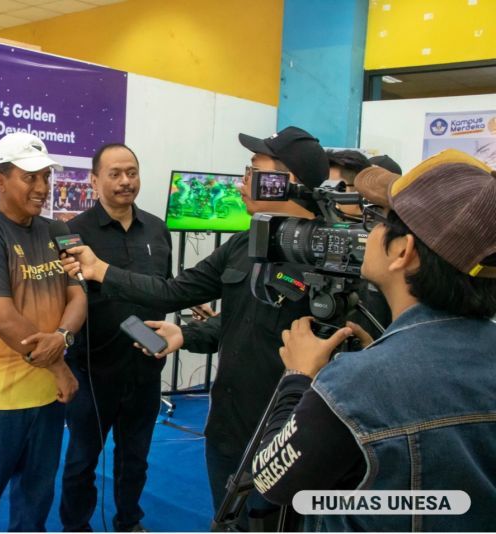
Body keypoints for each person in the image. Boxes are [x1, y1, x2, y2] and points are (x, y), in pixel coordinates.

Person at [61, 127, 339, 516]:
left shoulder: (334, 262)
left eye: (252, 172)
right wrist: (184, 333)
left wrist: (103, 270)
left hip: (287, 431)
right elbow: (175, 292)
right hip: (226, 427)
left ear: (285, 183)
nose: (241, 183)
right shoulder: (244, 244)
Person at [251, 149, 496, 530]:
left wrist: (298, 379)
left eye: (378, 219)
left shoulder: (355, 384)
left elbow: (273, 482)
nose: (367, 231)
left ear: (403, 251)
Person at [0, 132, 87, 532]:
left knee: (35, 500)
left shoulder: (60, 231)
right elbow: (4, 319)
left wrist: (61, 337)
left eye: (45, 176)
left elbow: (78, 297)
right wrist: (61, 367)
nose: (42, 187)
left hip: (47, 399)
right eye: (30, 177)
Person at [59, 143, 173, 532]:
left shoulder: (157, 229)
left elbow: (164, 288)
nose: (126, 181)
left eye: (132, 172)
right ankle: (76, 526)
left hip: (145, 367)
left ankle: (129, 521)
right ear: (94, 180)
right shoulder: (73, 232)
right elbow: (68, 299)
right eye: (115, 174)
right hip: (93, 370)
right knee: (80, 461)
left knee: (135, 458)